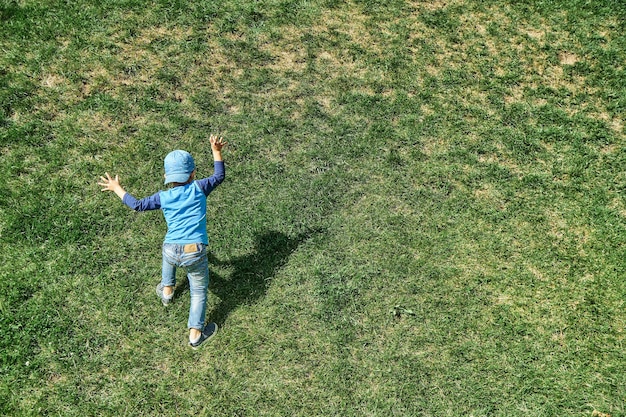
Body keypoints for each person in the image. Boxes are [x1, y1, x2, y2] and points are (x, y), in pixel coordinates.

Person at [98, 134, 227, 349]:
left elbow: (137, 205)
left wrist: (116, 188)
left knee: (169, 257)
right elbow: (219, 175)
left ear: (167, 176)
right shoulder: (200, 187)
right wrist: (216, 150)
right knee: (198, 290)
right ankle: (195, 334)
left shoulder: (163, 197)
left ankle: (167, 293)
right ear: (193, 173)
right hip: (194, 250)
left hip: (170, 248)